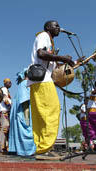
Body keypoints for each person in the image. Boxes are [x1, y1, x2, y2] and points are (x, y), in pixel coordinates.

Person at [27, 20, 77, 160]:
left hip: (38, 81)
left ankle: (41, 148)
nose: (59, 28)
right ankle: (45, 148)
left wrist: (70, 62)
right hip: (43, 80)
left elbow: (53, 64)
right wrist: (62, 57)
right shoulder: (43, 35)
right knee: (51, 111)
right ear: (48, 27)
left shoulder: (48, 41)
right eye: (56, 26)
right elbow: (41, 54)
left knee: (41, 115)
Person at [8, 68, 36, 156]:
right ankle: (26, 151)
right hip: (23, 113)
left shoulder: (22, 84)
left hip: (19, 112)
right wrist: (27, 120)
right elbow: (25, 102)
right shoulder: (25, 83)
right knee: (25, 130)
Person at [0, 78, 12, 154]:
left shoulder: (7, 90)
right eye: (8, 82)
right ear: (5, 83)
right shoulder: (4, 89)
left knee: (3, 129)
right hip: (4, 111)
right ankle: (2, 148)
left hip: (5, 111)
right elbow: (5, 99)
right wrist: (11, 106)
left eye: (10, 82)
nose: (10, 83)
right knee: (4, 128)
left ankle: (1, 147)